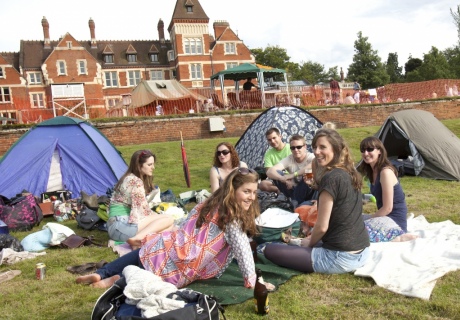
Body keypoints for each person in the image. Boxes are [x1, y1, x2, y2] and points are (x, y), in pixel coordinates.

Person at [76, 168, 275, 291]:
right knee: (152, 279)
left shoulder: (209, 202)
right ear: (233, 191)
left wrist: (165, 236)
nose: (251, 197)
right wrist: (253, 281)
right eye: (246, 192)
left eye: (254, 193)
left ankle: (103, 272)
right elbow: (242, 250)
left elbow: (186, 223)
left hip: (173, 244)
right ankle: (116, 281)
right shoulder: (234, 219)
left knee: (142, 255)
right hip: (186, 262)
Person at [264, 129, 370, 274]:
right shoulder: (348, 171)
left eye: (322, 147)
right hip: (362, 251)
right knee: (299, 242)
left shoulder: (331, 178)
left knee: (269, 250)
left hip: (340, 257)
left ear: (336, 148)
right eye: (314, 147)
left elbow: (321, 227)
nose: (317, 151)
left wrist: (310, 242)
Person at [108, 150, 174, 249]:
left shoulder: (127, 177)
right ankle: (138, 239)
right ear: (139, 165)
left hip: (114, 228)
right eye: (149, 164)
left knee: (168, 227)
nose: (153, 167)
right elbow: (142, 211)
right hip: (122, 227)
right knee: (169, 219)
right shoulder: (136, 181)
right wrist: (159, 217)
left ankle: (140, 242)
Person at [357, 137, 416, 242]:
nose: (366, 153)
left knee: (355, 234)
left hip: (394, 221)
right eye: (363, 150)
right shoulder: (372, 172)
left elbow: (388, 208)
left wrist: (370, 217)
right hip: (384, 218)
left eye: (370, 149)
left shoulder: (385, 172)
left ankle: (398, 237)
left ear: (379, 151)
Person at [266, 134, 316, 206]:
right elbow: (270, 171)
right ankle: (295, 201)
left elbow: (313, 165)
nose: (296, 150)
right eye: (293, 148)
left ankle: (295, 202)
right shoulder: (289, 159)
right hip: (293, 189)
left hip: (309, 191)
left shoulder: (311, 157)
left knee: (308, 173)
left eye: (299, 147)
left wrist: (292, 175)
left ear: (305, 147)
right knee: (277, 174)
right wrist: (284, 179)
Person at [259, 128, 291, 193]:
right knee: (262, 184)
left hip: (291, 177)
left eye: (274, 138)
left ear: (280, 136)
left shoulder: (291, 148)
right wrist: (281, 179)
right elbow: (268, 171)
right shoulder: (268, 153)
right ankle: (278, 189)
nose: (272, 141)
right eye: (269, 140)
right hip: (277, 179)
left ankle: (282, 190)